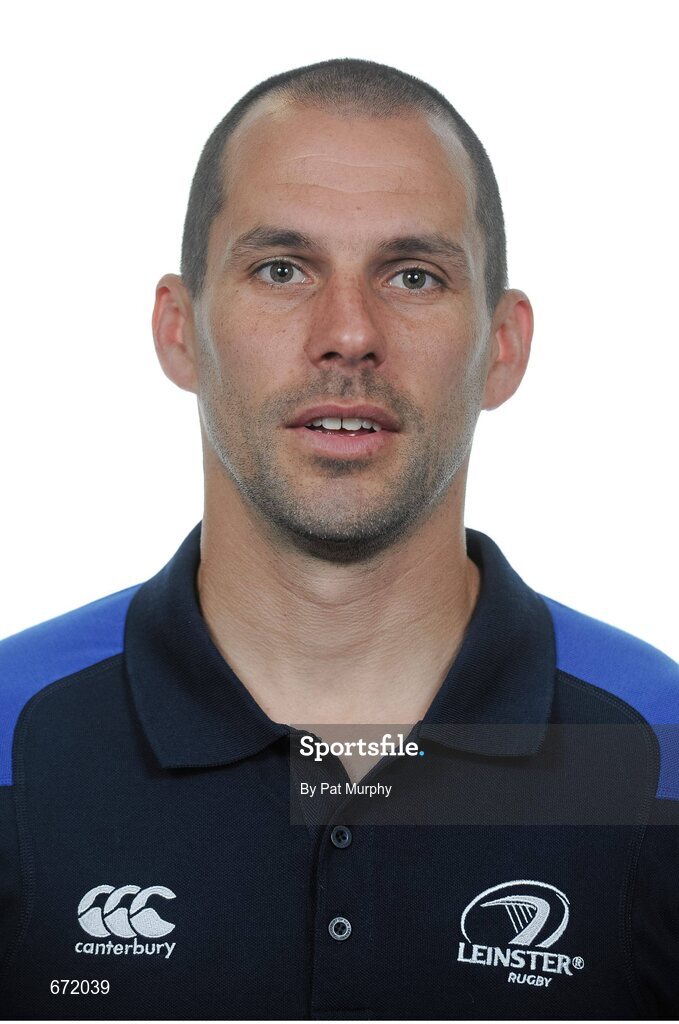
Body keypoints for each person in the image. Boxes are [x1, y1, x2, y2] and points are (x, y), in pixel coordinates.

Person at [0, 57, 677, 1021]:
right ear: (179, 329)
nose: (348, 333)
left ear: (503, 346)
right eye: (282, 268)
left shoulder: (660, 743)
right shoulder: (10, 729)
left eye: (413, 274)